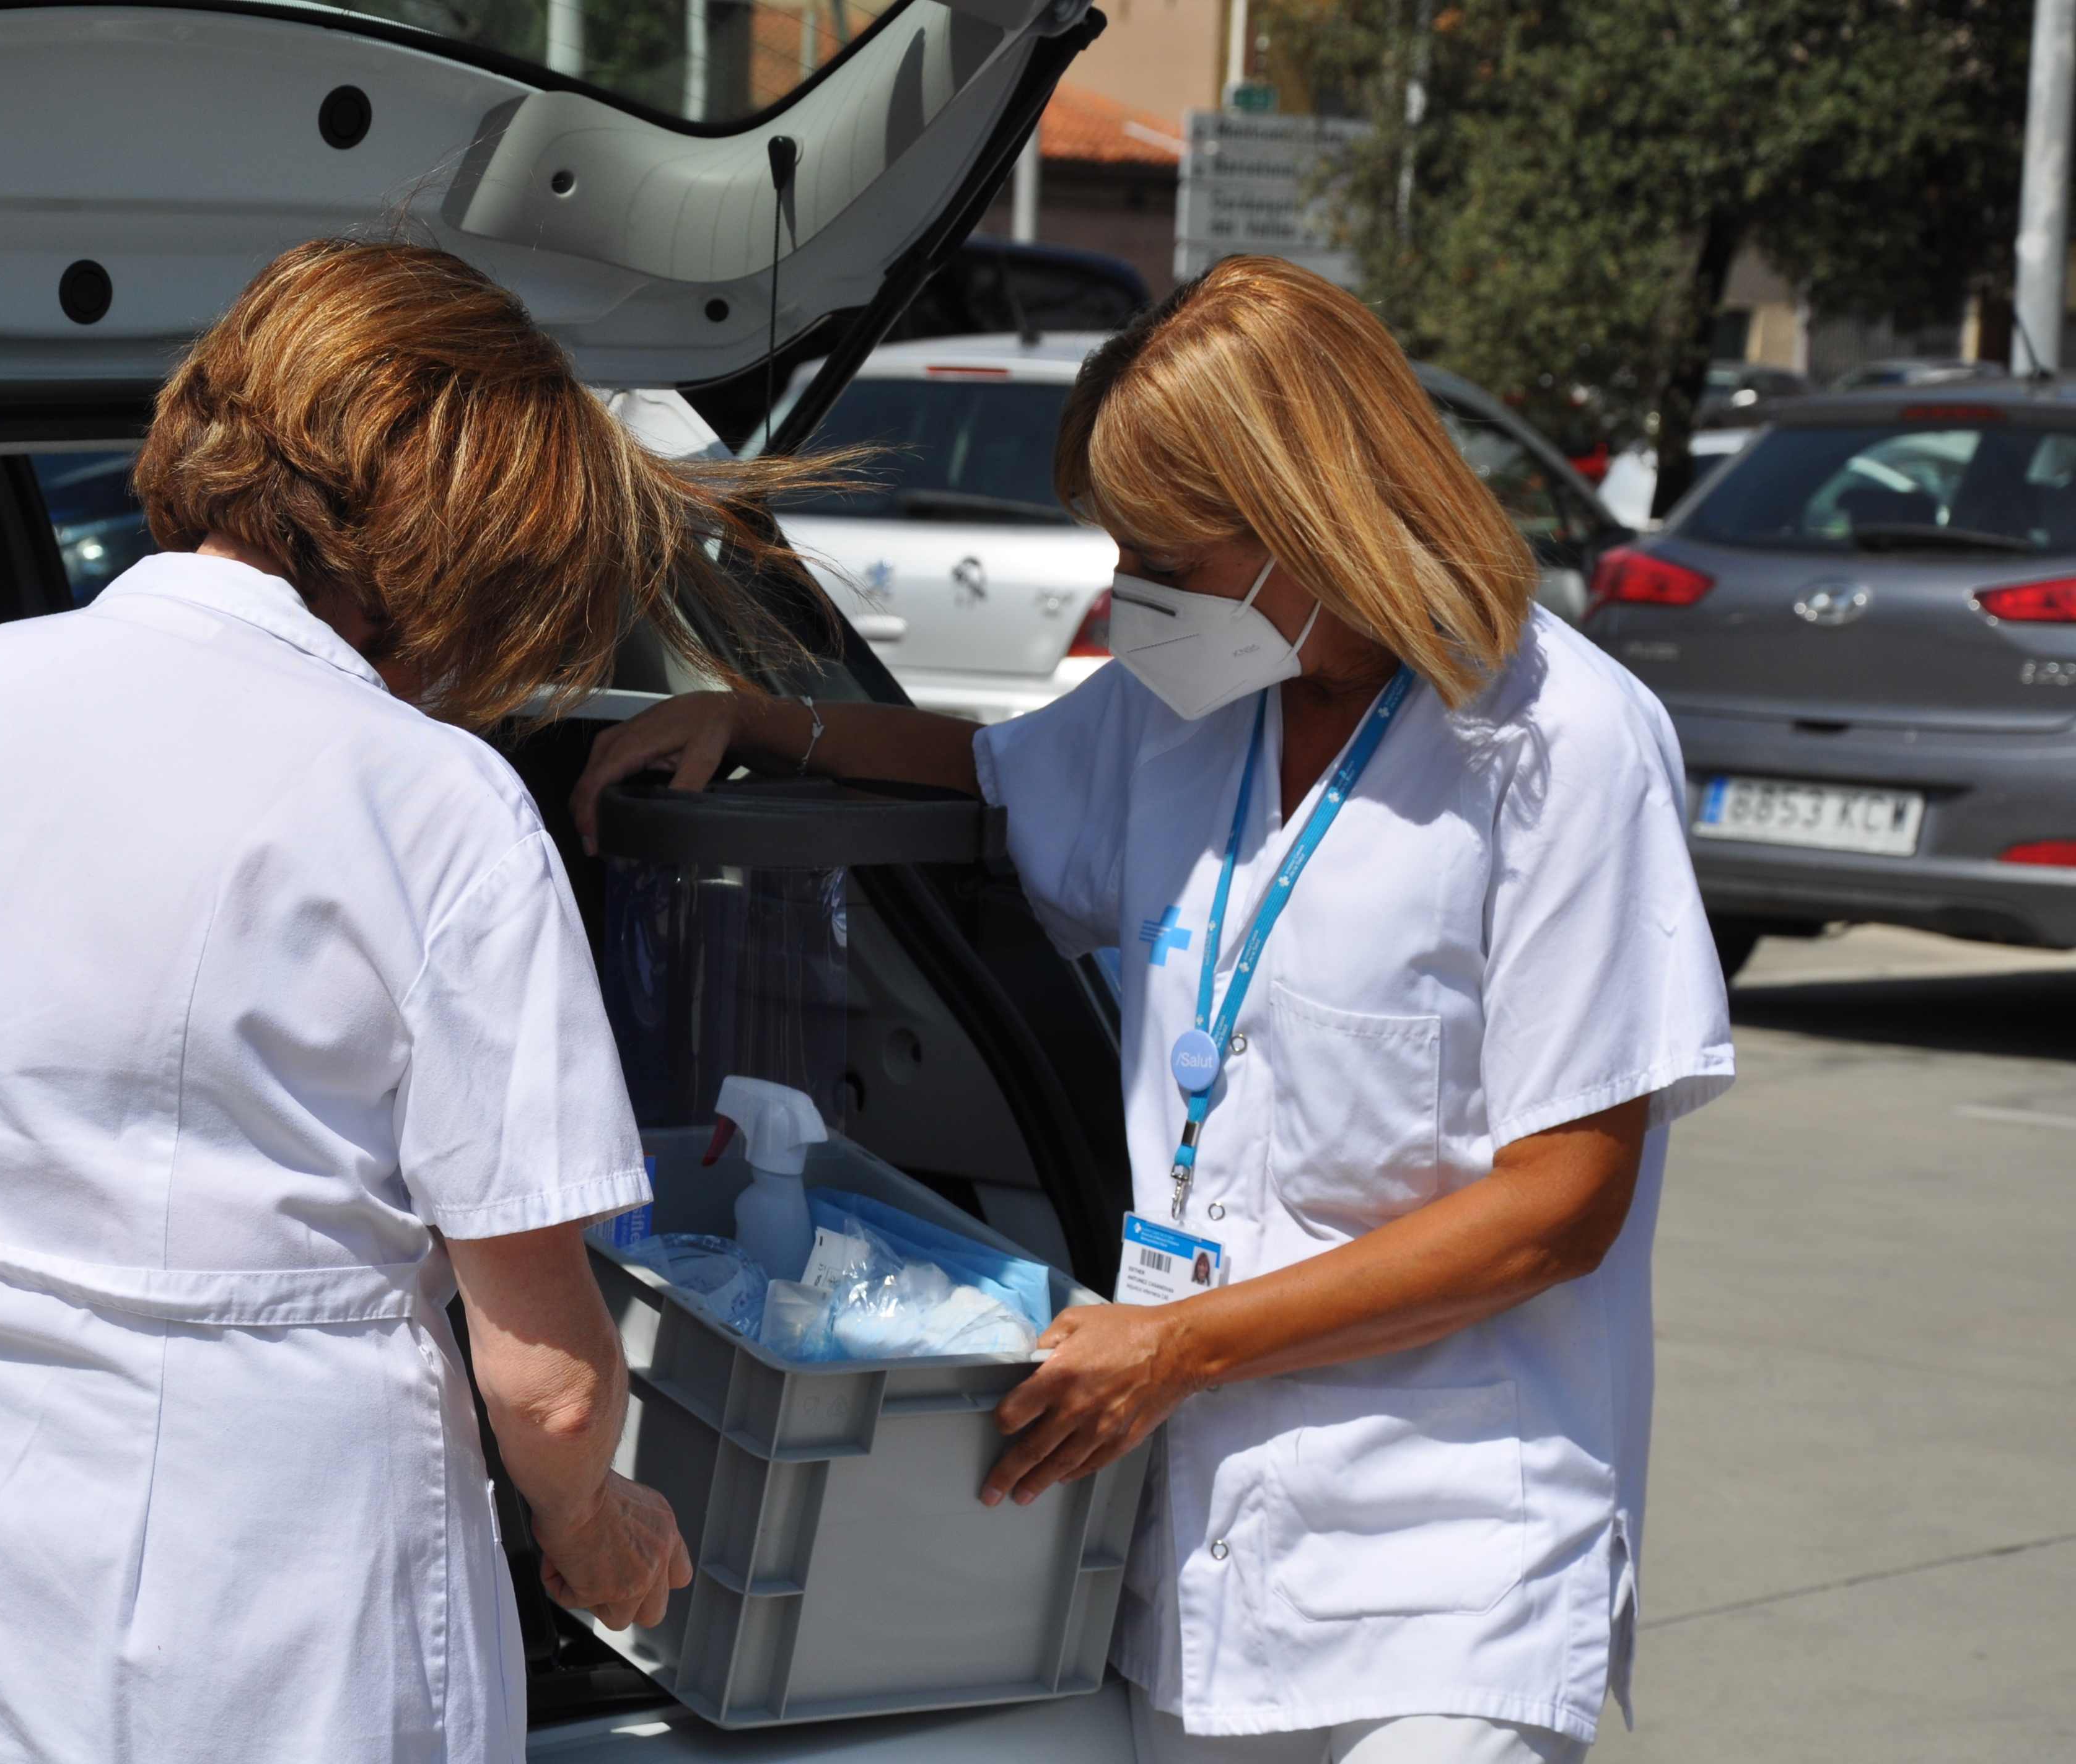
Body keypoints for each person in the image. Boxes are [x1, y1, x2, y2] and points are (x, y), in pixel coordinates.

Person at [0, 238, 828, 1764]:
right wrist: (591, 1525)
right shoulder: (436, 804)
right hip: (272, 1608)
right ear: (479, 543)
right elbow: (544, 1380)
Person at [571, 256, 1733, 1763]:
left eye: (1167, 553)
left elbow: (1559, 1206)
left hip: (1447, 1569)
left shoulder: (1557, 746)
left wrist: (1179, 1345)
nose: (1133, 593)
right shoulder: (1194, 707)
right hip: (1194, 1562)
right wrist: (758, 720)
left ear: (1310, 512)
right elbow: (988, 772)